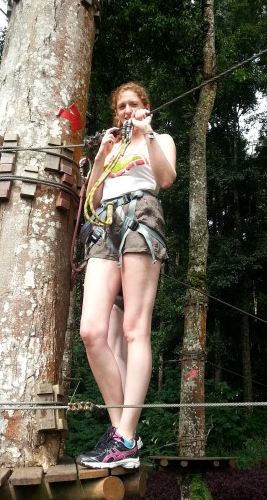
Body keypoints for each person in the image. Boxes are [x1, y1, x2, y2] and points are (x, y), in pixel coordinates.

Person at [78, 82, 176, 469]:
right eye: (121, 106)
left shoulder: (159, 139)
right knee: (91, 331)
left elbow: (166, 179)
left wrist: (147, 132)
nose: (127, 110)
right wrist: (101, 157)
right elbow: (91, 199)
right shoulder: (112, 148)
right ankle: (123, 434)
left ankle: (125, 436)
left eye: (133, 104)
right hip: (105, 225)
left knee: (134, 330)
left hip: (141, 218)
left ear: (146, 107)